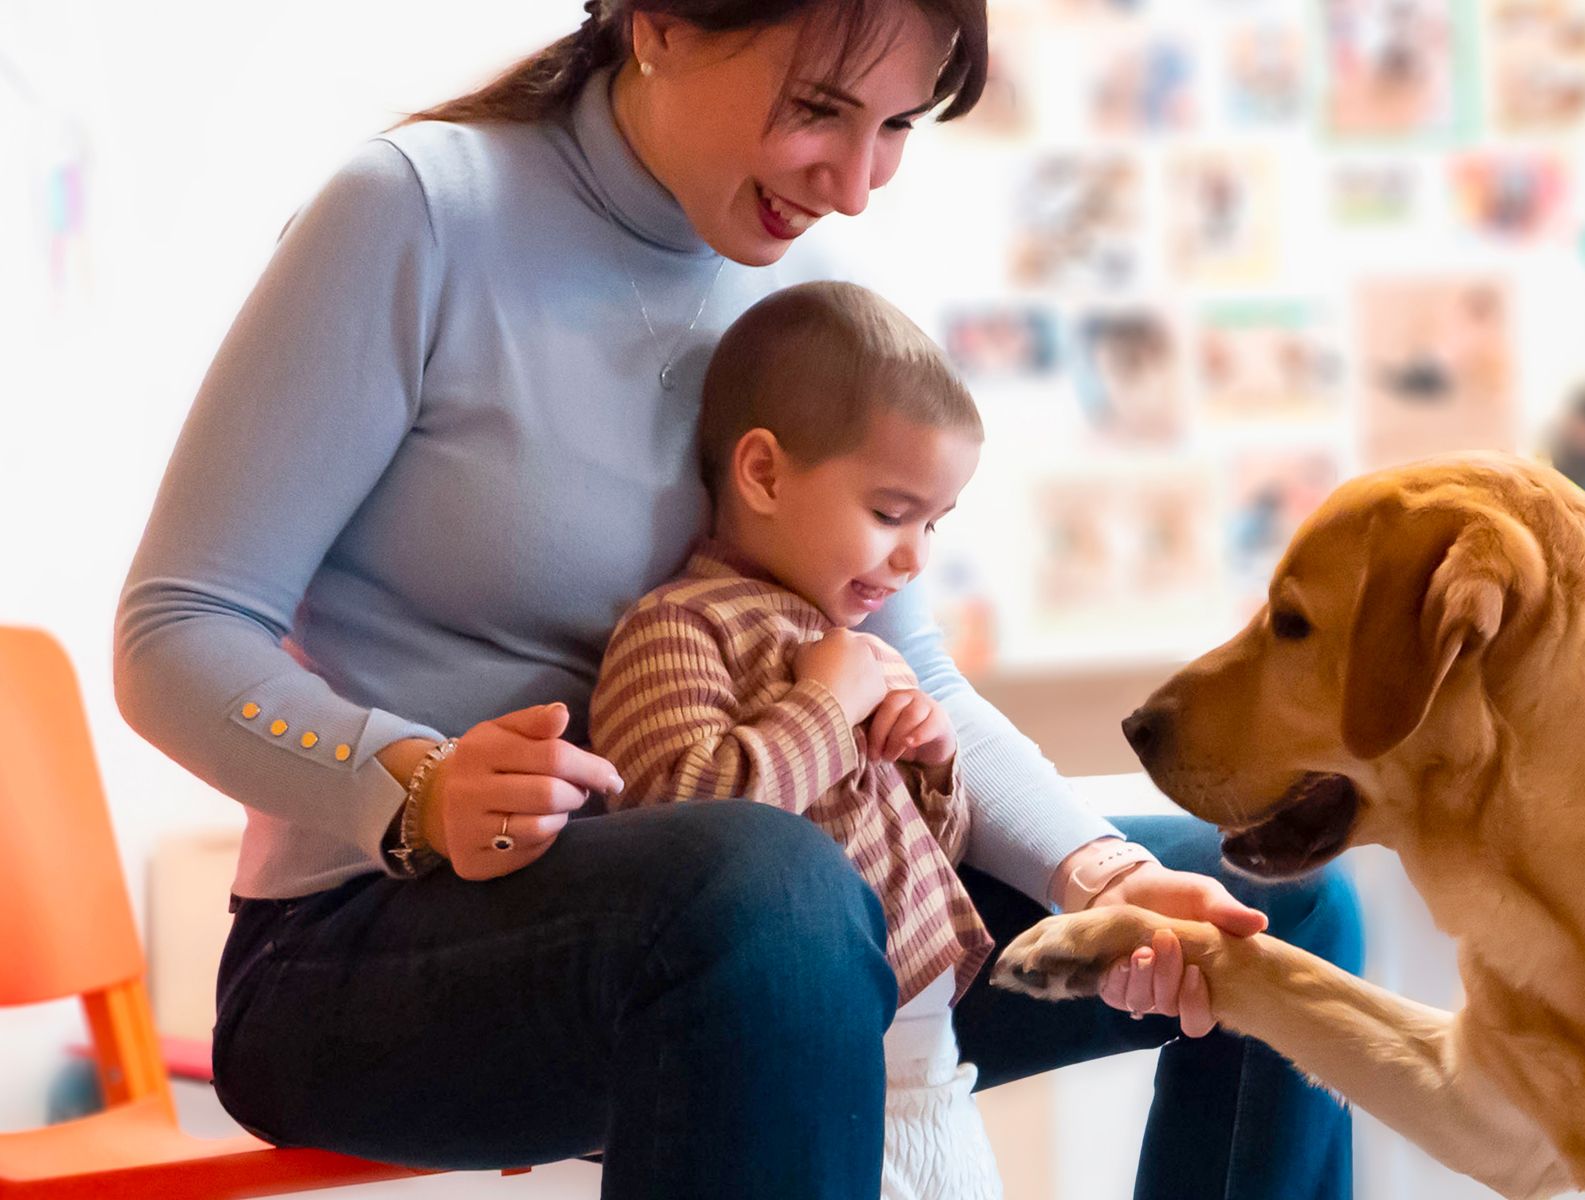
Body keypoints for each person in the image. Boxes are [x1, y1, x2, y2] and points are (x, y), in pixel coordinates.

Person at [112, 2, 1363, 1197]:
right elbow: (177, 631)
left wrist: (1098, 878)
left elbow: (898, 665)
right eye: (821, 109)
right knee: (772, 888)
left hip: (761, 919)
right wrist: (409, 782)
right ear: (657, 21)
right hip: (364, 950)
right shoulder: (418, 215)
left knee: (1275, 913)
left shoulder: (794, 287)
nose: (855, 182)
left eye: (896, 128)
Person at [592, 280, 999, 1199]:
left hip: (934, 1074)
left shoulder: (855, 652)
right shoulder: (682, 627)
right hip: (822, 1067)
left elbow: (919, 863)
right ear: (764, 475)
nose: (915, 558)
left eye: (933, 525)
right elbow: (675, 835)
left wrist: (933, 766)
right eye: (891, 514)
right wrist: (822, 708)